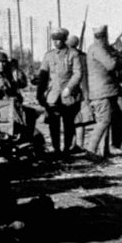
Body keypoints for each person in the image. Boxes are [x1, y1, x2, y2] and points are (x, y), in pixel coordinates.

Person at [85, 25, 122, 159]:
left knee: (107, 120)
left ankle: (103, 151)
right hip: (102, 91)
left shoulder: (95, 48)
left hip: (105, 90)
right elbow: (111, 64)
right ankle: (91, 150)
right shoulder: (99, 49)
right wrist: (119, 59)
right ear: (105, 36)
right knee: (104, 121)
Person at [36, 28, 83, 156]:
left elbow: (78, 73)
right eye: (54, 40)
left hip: (69, 95)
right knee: (53, 124)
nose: (57, 42)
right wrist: (39, 94)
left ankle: (67, 148)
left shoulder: (73, 54)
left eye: (59, 40)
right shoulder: (49, 55)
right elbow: (43, 76)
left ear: (64, 40)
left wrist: (70, 87)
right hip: (53, 96)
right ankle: (56, 149)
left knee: (69, 124)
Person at [67, 35, 90, 152]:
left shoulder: (67, 56)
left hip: (71, 91)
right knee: (80, 119)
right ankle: (78, 144)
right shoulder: (84, 56)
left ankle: (73, 145)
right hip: (84, 90)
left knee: (71, 119)